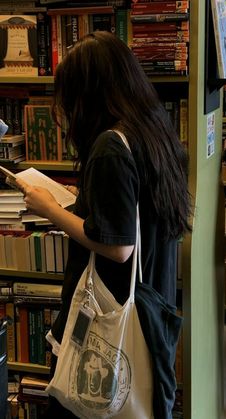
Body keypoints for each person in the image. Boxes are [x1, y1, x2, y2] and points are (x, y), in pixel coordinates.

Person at [14, 31, 191, 418]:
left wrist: (50, 210)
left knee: (83, 400)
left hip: (110, 308)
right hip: (151, 301)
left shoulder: (110, 146)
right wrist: (78, 201)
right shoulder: (153, 128)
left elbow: (118, 245)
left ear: (87, 93)